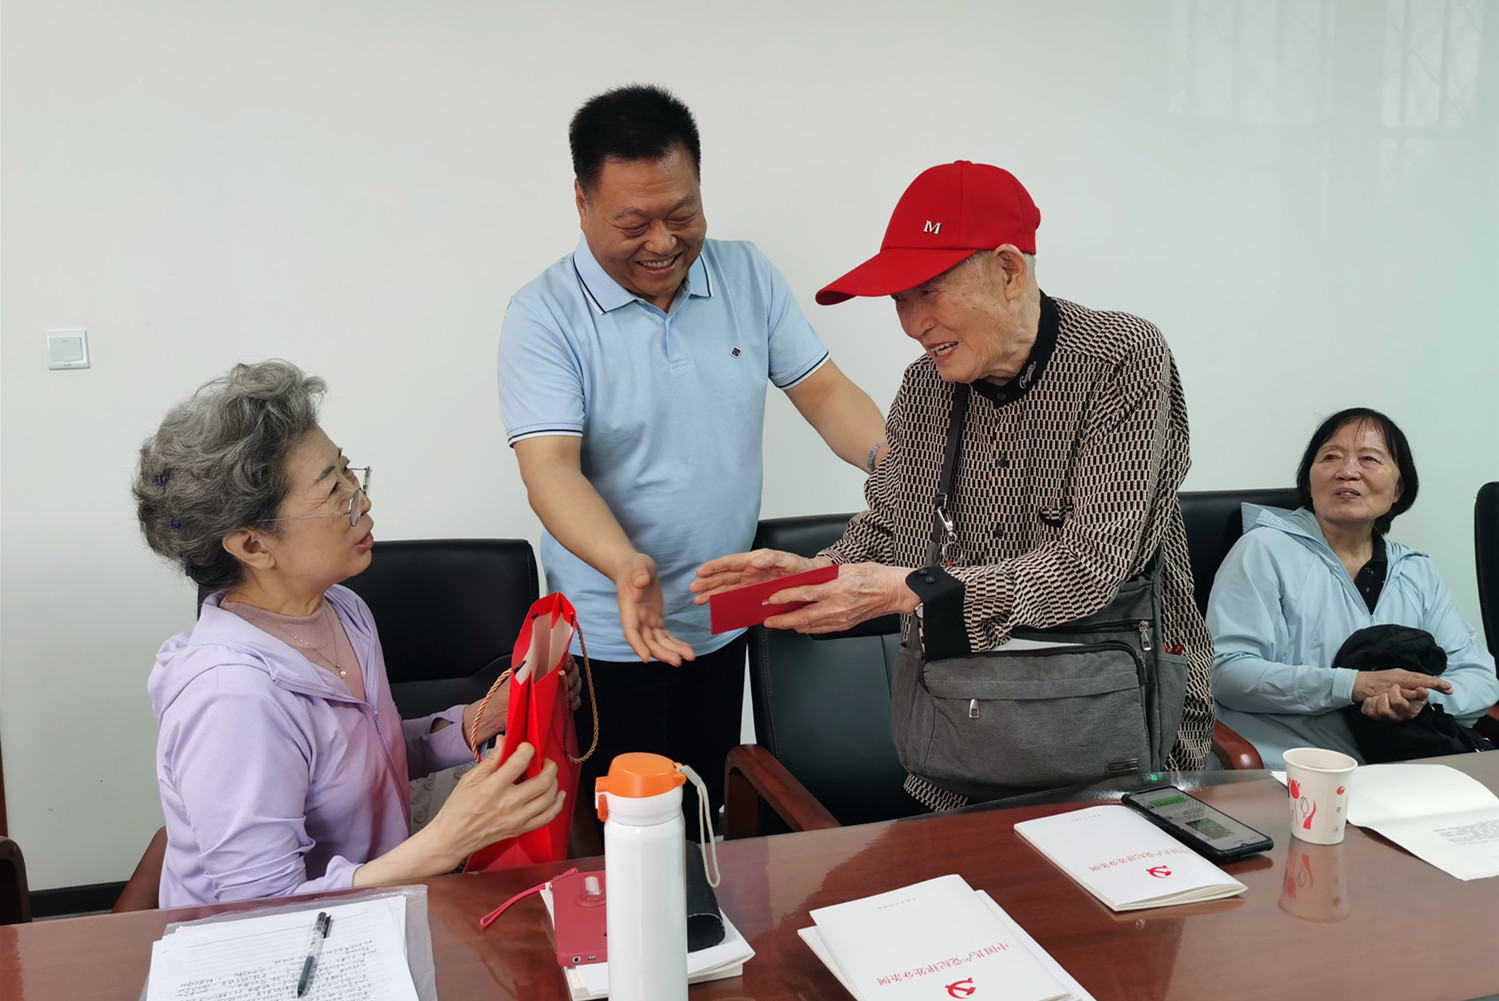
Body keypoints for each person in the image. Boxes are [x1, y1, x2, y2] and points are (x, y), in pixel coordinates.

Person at [692, 160, 1214, 811]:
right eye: (899, 300)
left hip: (1114, 737)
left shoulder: (1120, 358)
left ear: (1008, 271)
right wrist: (815, 575)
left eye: (928, 292)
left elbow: (1089, 567)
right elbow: (890, 527)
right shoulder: (923, 389)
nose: (912, 324)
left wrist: (907, 589)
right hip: (961, 745)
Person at [497, 84, 887, 824]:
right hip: (612, 630)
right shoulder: (543, 315)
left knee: (707, 810)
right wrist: (625, 563)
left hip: (724, 609)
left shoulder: (746, 274)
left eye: (681, 216)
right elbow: (549, 468)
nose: (662, 243)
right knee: (626, 831)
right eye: (633, 223)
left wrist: (910, 473)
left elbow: (826, 393)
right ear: (581, 202)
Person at [135, 361, 577, 906]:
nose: (361, 501)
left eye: (349, 473)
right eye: (332, 491)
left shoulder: (342, 609)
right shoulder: (232, 700)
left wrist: (478, 719)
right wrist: (445, 842)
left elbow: (365, 757)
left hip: (377, 911)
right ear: (252, 545)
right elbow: (259, 909)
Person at [1207, 408, 1498, 769]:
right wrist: (1353, 686)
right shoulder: (1263, 550)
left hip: (1406, 770)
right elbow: (1227, 672)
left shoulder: (1417, 571)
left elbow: (1479, 677)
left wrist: (1413, 701)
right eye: (1331, 457)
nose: (1347, 471)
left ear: (1399, 489)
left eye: (1369, 459)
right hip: (1291, 769)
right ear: (1309, 481)